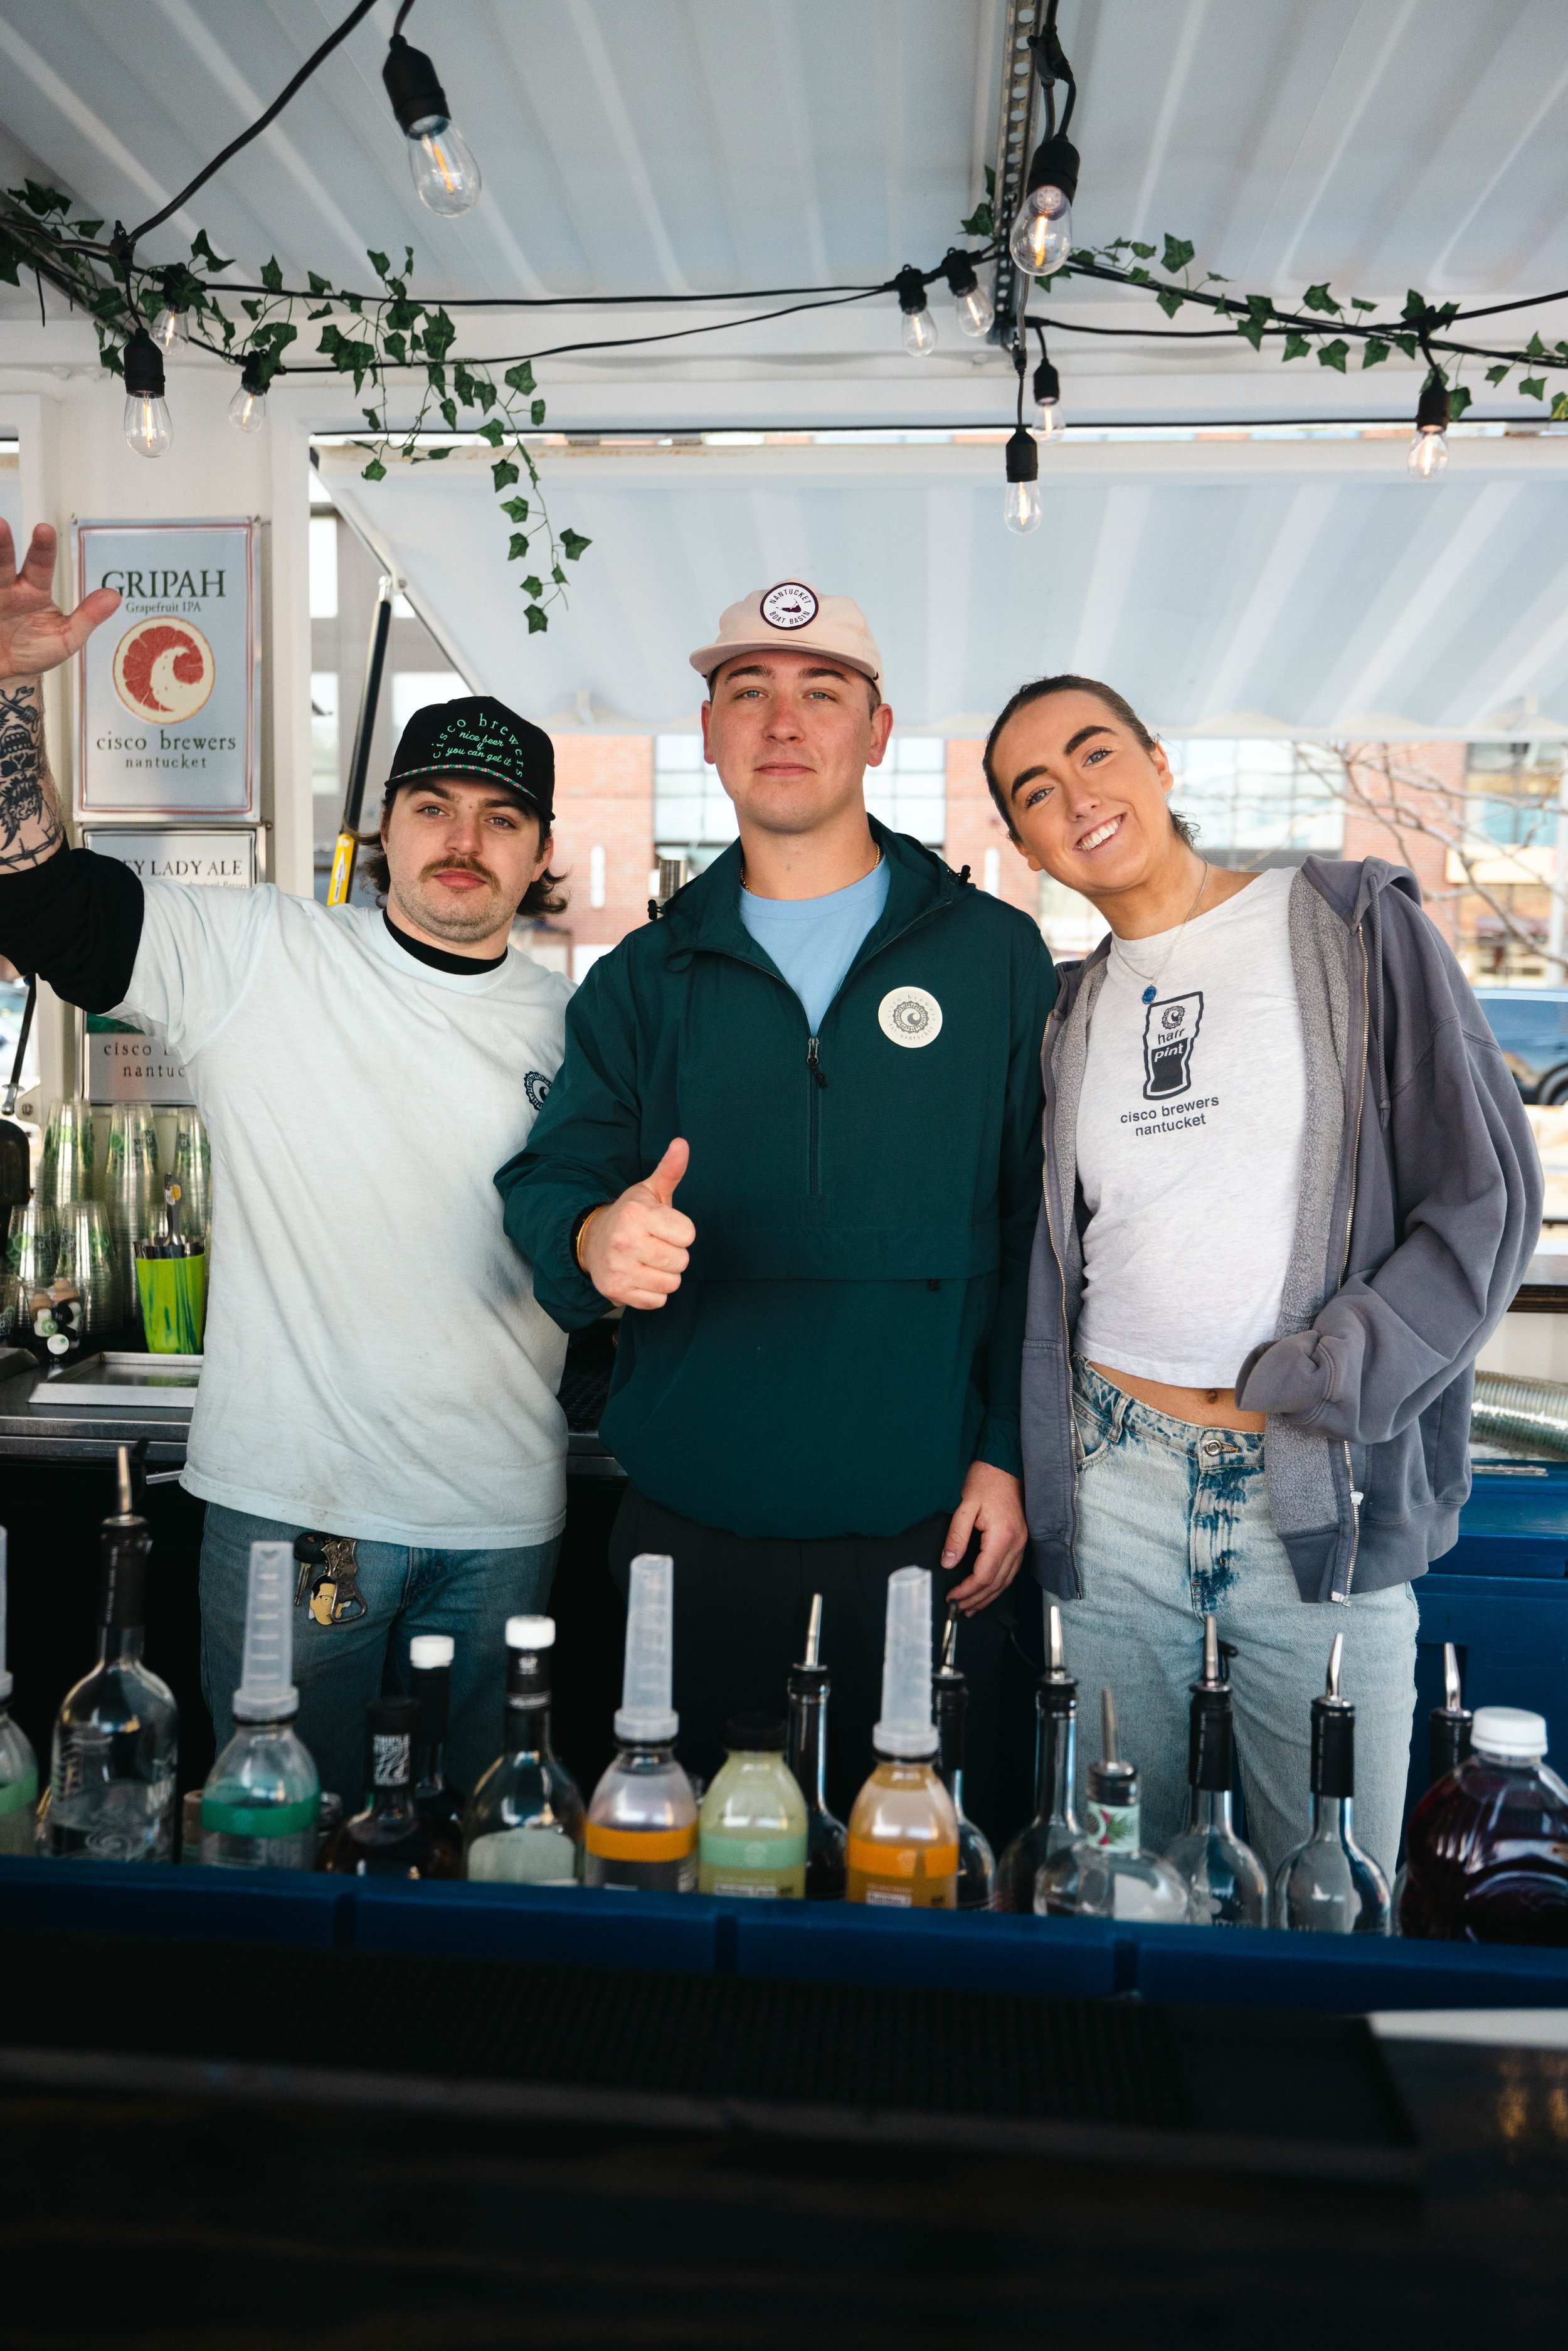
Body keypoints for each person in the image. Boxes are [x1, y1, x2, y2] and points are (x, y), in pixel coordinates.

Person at [0, 519, 573, 1805]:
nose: (463, 838)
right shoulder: (263, 955)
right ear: (385, 826)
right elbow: (36, 899)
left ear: (539, 855)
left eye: (500, 817)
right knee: (278, 1828)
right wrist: (2, 695)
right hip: (291, 1512)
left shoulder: (584, 1028)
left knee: (489, 1842)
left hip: (502, 1516)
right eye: (433, 806)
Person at [499, 584, 1058, 1829]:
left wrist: (1010, 1454)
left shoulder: (993, 956)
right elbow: (549, 1182)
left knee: (915, 1891)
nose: (783, 719)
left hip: (930, 1537)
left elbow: (1042, 1234)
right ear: (706, 731)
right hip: (687, 1540)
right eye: (748, 690)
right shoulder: (643, 977)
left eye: (822, 691)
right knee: (687, 1881)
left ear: (878, 728)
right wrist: (594, 1239)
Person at [985, 672, 1542, 1884]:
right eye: (1036, 790)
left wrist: (1347, 1368)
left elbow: (1486, 1197)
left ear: (1161, 760)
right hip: (1114, 1486)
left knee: (1337, 1894)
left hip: (1315, 1492)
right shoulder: (1069, 1008)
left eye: (1095, 754)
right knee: (1118, 1887)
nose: (1077, 795)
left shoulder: (1351, 925)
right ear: (1022, 840)